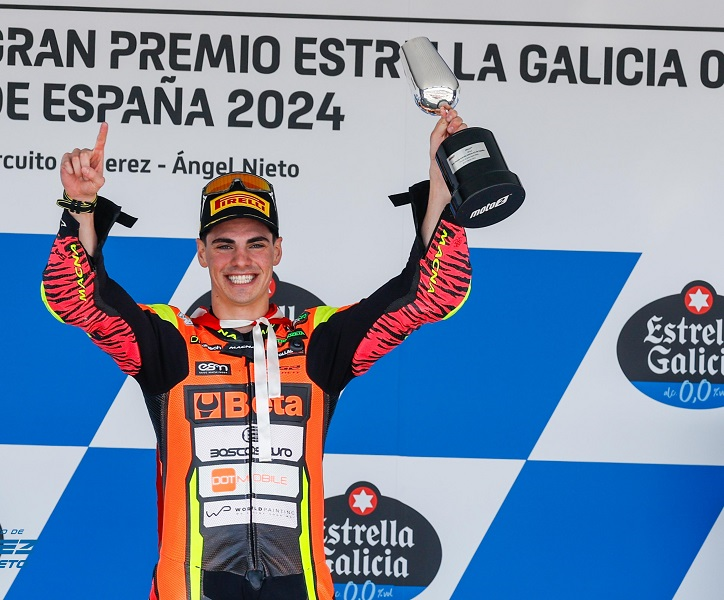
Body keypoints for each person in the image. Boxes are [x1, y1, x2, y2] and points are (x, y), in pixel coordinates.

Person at [42, 107, 472, 600]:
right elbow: (76, 299)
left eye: (256, 244)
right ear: (202, 252)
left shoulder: (317, 342)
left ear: (277, 251)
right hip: (192, 584)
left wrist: (441, 190)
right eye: (223, 244)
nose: (240, 260)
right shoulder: (169, 342)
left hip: (300, 584)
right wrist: (80, 207)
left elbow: (431, 294)